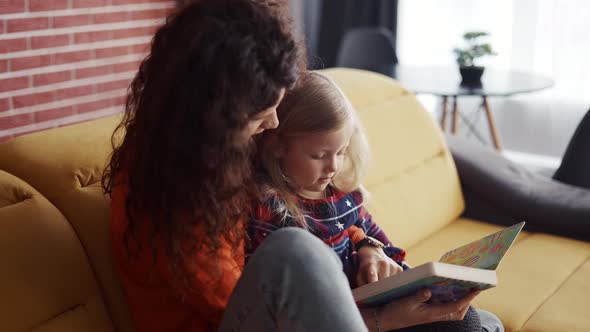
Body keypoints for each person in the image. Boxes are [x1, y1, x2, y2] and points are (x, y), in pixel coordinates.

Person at [102, 1, 500, 331]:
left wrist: (366, 244)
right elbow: (270, 301)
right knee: (296, 250)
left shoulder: (221, 158)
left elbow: (321, 209)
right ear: (216, 115)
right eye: (262, 114)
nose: (272, 124)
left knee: (480, 323)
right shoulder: (167, 194)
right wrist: (383, 319)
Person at [248, 71, 505, 332]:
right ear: (276, 147)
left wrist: (373, 253)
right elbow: (284, 302)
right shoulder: (272, 210)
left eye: (341, 151)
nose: (333, 166)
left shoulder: (343, 194)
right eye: (319, 155)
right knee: (474, 325)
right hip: (348, 321)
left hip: (379, 305)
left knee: (475, 319)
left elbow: (387, 248)